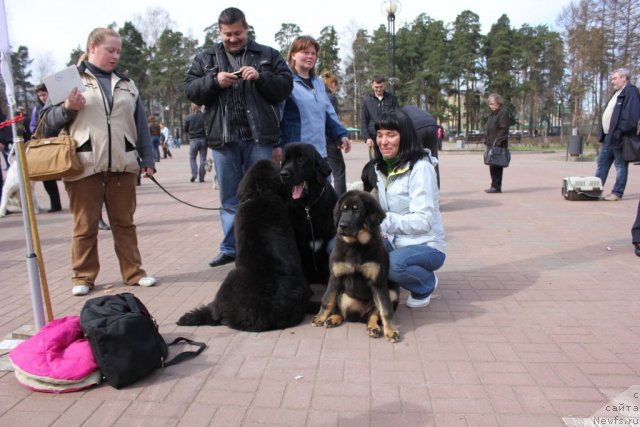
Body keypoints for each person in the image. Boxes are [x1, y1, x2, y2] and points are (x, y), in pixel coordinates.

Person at [43, 27, 156, 296]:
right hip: (84, 165)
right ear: (93, 47)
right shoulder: (68, 80)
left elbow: (140, 124)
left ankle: (134, 272)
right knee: (85, 225)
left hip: (123, 165)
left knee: (124, 224)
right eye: (110, 50)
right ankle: (82, 277)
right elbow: (46, 124)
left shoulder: (127, 83)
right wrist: (68, 108)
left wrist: (148, 158)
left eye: (118, 51)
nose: (115, 56)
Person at [184, 7, 293, 268]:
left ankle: (264, 248)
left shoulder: (267, 55)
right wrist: (213, 81)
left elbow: (285, 87)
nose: (232, 39)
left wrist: (261, 77)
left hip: (260, 139)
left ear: (246, 29)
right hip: (223, 140)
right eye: (227, 34)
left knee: (263, 196)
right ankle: (232, 248)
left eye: (237, 33)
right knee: (229, 199)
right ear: (219, 32)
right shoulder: (205, 59)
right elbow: (190, 90)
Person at [372, 109, 446, 308]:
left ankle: (425, 284)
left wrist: (382, 222)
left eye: (391, 134)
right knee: (343, 246)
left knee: (392, 265)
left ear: (405, 137)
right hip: (394, 239)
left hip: (426, 243)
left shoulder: (421, 168)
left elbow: (423, 221)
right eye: (380, 135)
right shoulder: (381, 167)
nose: (383, 141)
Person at [280, 36, 351, 161]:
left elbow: (328, 112)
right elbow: (277, 116)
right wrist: (276, 144)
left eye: (313, 53)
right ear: (293, 55)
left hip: (320, 152)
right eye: (305, 52)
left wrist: (341, 134)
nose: (310, 56)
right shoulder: (285, 81)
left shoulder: (318, 83)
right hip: (297, 153)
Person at [595, 68, 640, 201]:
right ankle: (595, 190)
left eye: (615, 78)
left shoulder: (631, 92)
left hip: (620, 137)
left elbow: (631, 116)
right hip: (608, 137)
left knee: (620, 165)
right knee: (602, 163)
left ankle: (617, 192)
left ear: (624, 78)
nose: (612, 81)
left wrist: (620, 132)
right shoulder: (616, 93)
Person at [29, 83, 62, 213]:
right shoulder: (36, 108)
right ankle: (55, 203)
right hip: (44, 144)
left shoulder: (57, 104)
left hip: (58, 142)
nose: (43, 97)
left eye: (44, 94)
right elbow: (32, 125)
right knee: (47, 175)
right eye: (40, 95)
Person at [402, 105, 442, 188]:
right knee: (433, 160)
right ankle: (436, 192)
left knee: (414, 160)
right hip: (432, 124)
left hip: (417, 128)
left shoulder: (397, 113)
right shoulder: (412, 109)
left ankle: (417, 190)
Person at [321, 70, 347, 196]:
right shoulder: (331, 97)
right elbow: (332, 119)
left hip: (319, 138)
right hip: (330, 139)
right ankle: (340, 200)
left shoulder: (318, 94)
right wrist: (339, 138)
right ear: (333, 85)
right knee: (339, 171)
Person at [361, 75, 398, 157]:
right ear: (372, 85)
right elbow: (364, 121)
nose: (378, 89)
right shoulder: (367, 101)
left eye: (381, 87)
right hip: (374, 138)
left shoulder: (392, 98)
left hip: (390, 136)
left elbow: (397, 117)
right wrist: (367, 138)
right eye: (376, 87)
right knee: (375, 164)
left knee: (390, 161)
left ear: (384, 85)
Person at [484, 93, 509, 193]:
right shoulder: (493, 113)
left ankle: (497, 186)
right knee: (492, 165)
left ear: (498, 102)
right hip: (491, 143)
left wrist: (498, 142)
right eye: (490, 104)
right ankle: (493, 185)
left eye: (493, 104)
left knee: (497, 165)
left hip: (498, 144)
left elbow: (503, 129)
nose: (491, 106)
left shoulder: (503, 113)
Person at [184, 103, 208, 183]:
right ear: (200, 107)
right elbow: (208, 126)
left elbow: (185, 129)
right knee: (203, 158)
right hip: (203, 139)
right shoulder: (205, 116)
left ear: (192, 107)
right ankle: (201, 177)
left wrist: (191, 132)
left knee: (192, 157)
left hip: (194, 140)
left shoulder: (188, 117)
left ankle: (194, 173)